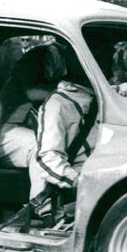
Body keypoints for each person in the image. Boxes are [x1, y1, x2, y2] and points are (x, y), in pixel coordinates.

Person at [26, 55, 98, 228]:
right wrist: (78, 181)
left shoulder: (101, 95)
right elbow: (48, 157)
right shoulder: (57, 104)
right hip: (87, 181)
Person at [0, 43, 66, 169]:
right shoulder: (32, 66)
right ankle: (41, 189)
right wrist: (65, 90)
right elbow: (32, 93)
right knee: (44, 149)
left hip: (8, 132)